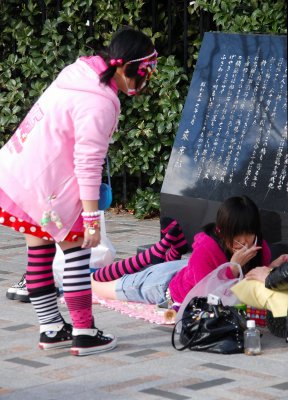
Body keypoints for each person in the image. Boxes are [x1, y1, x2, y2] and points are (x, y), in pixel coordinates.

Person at [0, 27, 158, 356]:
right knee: (76, 254)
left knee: (39, 253)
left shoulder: (80, 71)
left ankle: (52, 329)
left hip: (20, 174)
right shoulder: (99, 103)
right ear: (129, 69)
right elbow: (88, 163)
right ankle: (85, 332)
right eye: (146, 74)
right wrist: (90, 219)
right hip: (51, 190)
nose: (147, 83)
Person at [91, 195, 272, 306]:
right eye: (236, 234)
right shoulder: (207, 247)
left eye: (249, 232)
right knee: (95, 283)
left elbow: (254, 288)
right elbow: (205, 297)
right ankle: (156, 255)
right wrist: (233, 268)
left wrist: (271, 270)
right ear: (221, 231)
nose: (244, 241)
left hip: (183, 269)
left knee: (157, 268)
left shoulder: (259, 246)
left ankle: (167, 254)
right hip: (163, 286)